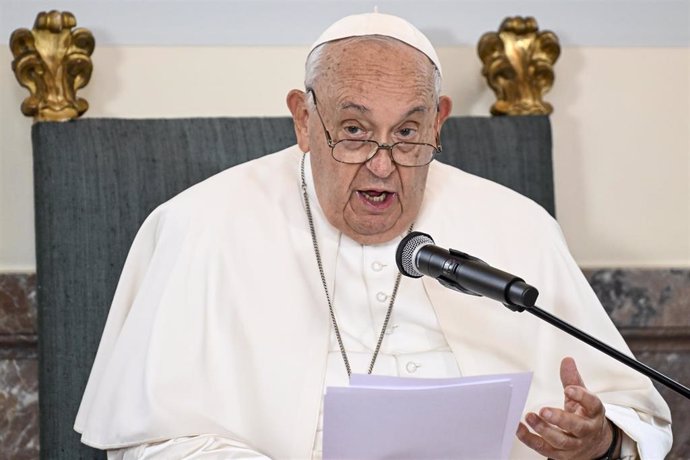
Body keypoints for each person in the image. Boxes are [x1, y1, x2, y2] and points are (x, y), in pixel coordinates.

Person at [75, 11, 672, 459]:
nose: (383, 165)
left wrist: (599, 441)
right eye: (355, 130)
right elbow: (147, 443)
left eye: (408, 133)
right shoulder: (201, 225)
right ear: (304, 120)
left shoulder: (516, 226)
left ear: (439, 121)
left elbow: (630, 415)